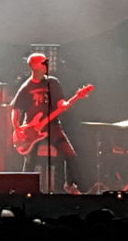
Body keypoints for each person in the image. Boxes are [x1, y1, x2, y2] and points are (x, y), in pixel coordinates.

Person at [9, 53, 83, 194]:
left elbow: (60, 101)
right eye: (43, 63)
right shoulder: (26, 87)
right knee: (30, 161)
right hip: (31, 128)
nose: (46, 66)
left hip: (53, 124)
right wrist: (17, 128)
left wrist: (66, 104)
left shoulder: (53, 82)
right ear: (34, 66)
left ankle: (70, 185)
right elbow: (15, 110)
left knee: (70, 154)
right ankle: (25, 189)